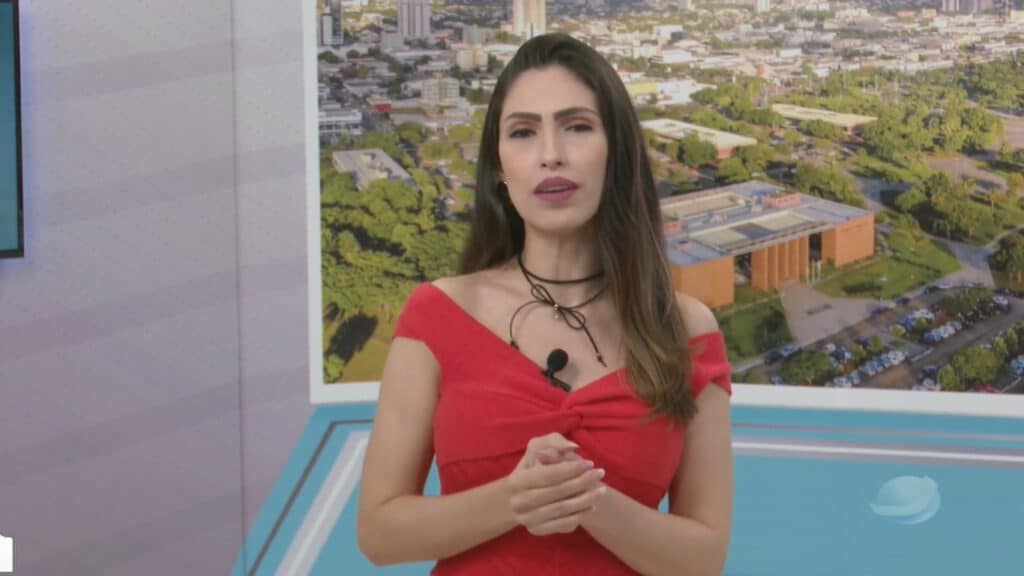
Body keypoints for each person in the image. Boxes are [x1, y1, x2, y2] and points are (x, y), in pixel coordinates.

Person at [357, 33, 733, 575]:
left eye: (577, 126)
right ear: (498, 166)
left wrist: (587, 499)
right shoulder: (437, 313)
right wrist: (515, 499)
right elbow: (378, 534)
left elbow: (704, 560)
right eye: (523, 132)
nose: (551, 154)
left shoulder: (685, 329)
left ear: (617, 152)